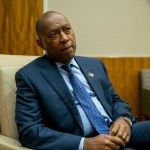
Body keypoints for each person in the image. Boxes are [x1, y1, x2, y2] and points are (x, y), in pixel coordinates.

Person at [15, 11, 150, 150]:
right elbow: (29, 131)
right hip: (85, 141)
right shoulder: (29, 76)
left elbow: (116, 101)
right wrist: (84, 144)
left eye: (67, 29)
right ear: (41, 44)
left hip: (116, 131)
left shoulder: (95, 65)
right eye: (53, 35)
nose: (64, 38)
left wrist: (123, 119)